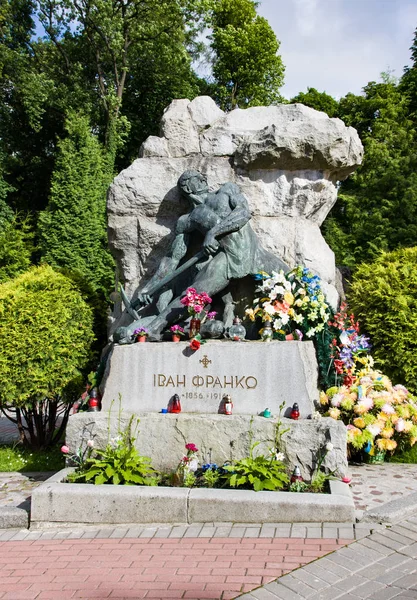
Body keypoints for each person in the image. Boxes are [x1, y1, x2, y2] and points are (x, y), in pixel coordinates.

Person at [115, 170, 288, 341]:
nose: (203, 179)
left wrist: (212, 233)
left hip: (254, 253)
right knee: (195, 293)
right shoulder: (187, 220)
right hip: (228, 257)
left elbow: (243, 213)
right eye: (197, 178)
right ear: (187, 188)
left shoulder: (227, 190)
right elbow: (172, 259)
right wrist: (150, 288)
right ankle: (153, 329)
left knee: (292, 282)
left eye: (202, 177)